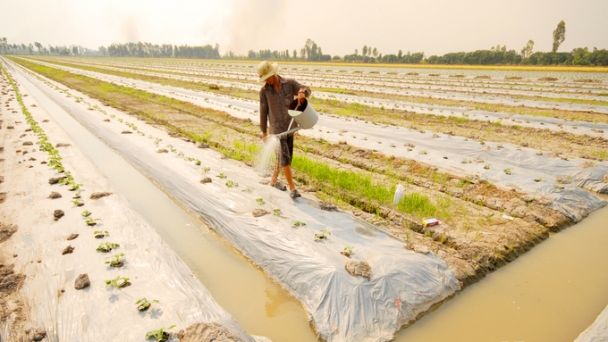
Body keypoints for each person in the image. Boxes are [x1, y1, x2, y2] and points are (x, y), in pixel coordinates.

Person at [258, 61, 311, 199]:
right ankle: (293, 189)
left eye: (268, 77)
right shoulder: (264, 91)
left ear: (273, 73)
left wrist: (301, 92)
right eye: (265, 78)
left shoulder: (290, 83)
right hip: (276, 130)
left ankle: (273, 180)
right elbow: (263, 112)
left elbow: (306, 89)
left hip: (289, 127)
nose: (267, 80)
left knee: (284, 157)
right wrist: (264, 131)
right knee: (285, 158)